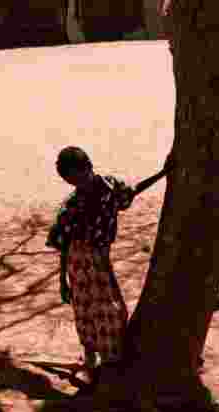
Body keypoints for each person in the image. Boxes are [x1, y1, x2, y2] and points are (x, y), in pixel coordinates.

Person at [47, 147, 174, 392]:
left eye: (78, 176)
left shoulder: (110, 188)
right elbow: (64, 245)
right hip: (78, 261)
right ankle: (93, 360)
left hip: (99, 258)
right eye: (70, 180)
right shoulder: (71, 206)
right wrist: (62, 280)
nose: (76, 183)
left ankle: (109, 363)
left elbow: (132, 192)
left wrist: (163, 173)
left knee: (111, 311)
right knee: (85, 310)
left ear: (89, 167)